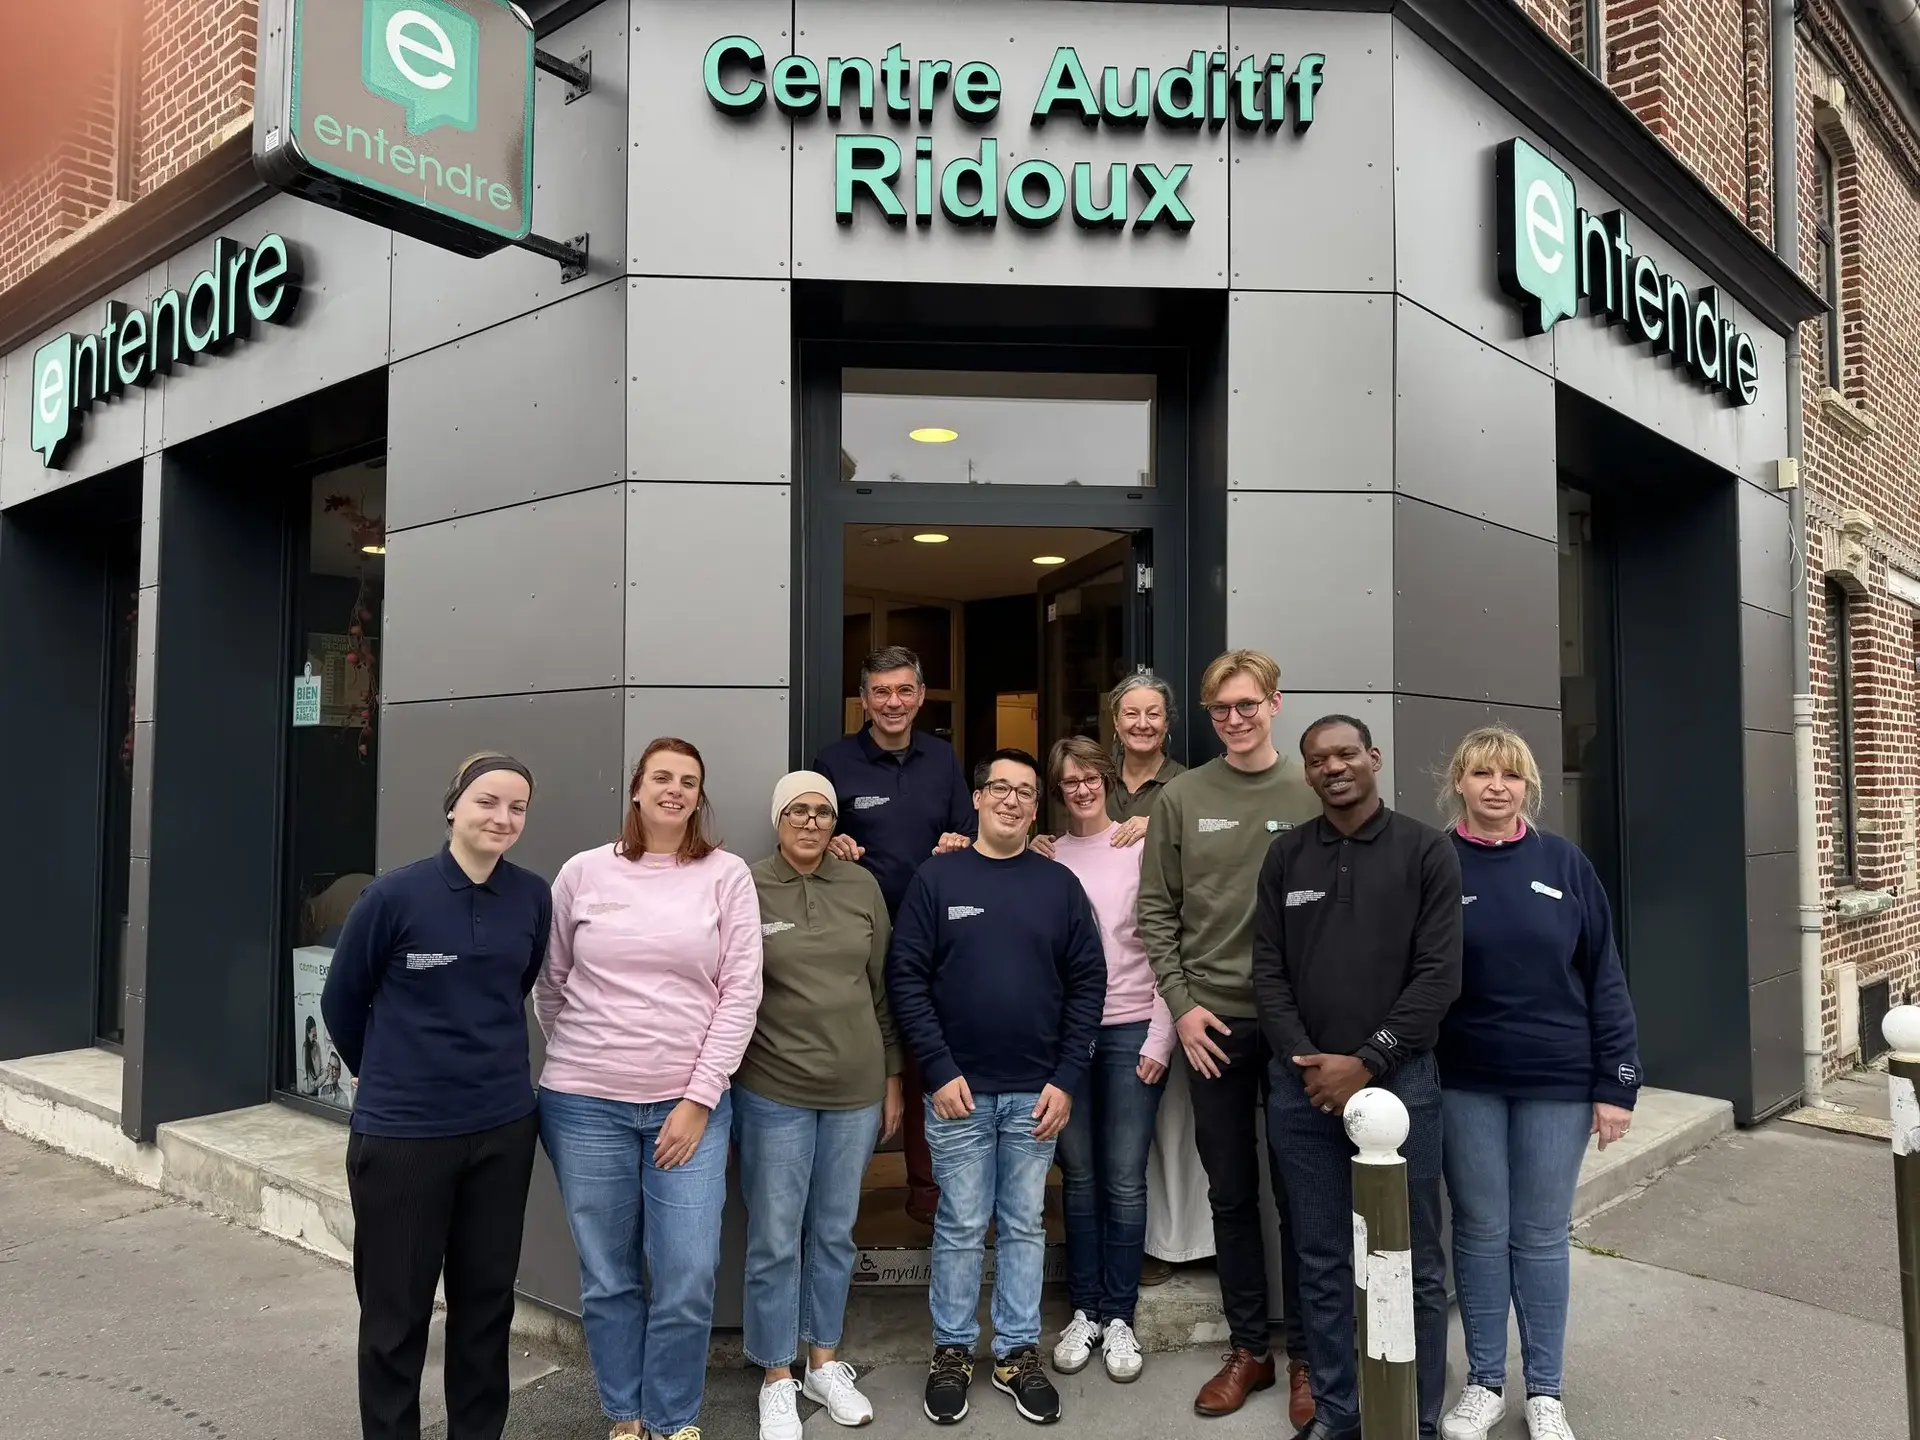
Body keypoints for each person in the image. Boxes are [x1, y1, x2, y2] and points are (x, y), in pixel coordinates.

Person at [535, 738, 763, 1440]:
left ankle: (673, 1417)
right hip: (583, 1106)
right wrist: (593, 1056)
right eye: (662, 777)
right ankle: (626, 1418)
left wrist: (698, 1098)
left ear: (699, 797)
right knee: (609, 1275)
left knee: (688, 1274)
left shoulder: (725, 875)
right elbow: (551, 983)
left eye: (688, 781)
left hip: (689, 1108)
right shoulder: (582, 873)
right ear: (636, 788)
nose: (674, 790)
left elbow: (740, 992)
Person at [320, 753, 548, 1440]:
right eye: (487, 801)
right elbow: (341, 1003)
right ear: (453, 807)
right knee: (396, 1317)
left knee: (485, 1310)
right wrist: (386, 1074)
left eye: (517, 807)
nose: (502, 817)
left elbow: (515, 987)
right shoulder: (392, 897)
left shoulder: (532, 897)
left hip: (502, 1130)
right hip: (404, 1138)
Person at [1253, 716, 1463, 1440]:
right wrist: (1308, 1062)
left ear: (1373, 758)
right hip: (1303, 1087)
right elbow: (1268, 973)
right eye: (1318, 760)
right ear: (1307, 772)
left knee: (1414, 1259)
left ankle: (1417, 1417)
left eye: (1346, 754)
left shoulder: (1426, 851)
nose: (1333, 767)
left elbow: (1439, 976)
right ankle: (1338, 1414)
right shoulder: (1286, 856)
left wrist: (1368, 1060)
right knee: (1320, 1259)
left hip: (1403, 1084)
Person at [886, 748, 1107, 1427]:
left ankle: (1015, 1353)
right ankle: (952, 1351)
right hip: (958, 1092)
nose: (1012, 800)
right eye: (1000, 788)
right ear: (977, 798)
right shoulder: (937, 878)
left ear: (1036, 807)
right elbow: (906, 977)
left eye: (1025, 792)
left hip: (1037, 1095)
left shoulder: (1059, 886)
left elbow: (1088, 984)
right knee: (959, 1224)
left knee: (1023, 1224)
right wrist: (938, 1068)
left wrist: (1066, 1078)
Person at [1434, 727, 1638, 1440]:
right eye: (1483, 773)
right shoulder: (1435, 862)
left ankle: (1546, 1392)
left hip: (1558, 1078)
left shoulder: (1564, 862)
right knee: (1481, 1231)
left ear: (1529, 786)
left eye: (1511, 775)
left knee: (1542, 1235)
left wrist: (1617, 1083)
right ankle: (1485, 1383)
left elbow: (1605, 974)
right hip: (1465, 1080)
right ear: (1459, 782)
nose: (1498, 786)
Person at [1135, 649, 1319, 1422]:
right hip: (1211, 1025)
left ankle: (1309, 1355)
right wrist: (1181, 1008)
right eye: (1221, 709)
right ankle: (1250, 1351)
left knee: (1303, 1196)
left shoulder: (1312, 789)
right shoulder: (1183, 797)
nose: (1235, 719)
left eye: (1247, 704)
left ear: (1274, 703)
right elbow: (1156, 911)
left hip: (1298, 1029)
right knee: (1232, 1194)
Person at [738, 771, 904, 1440]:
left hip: (855, 1090)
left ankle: (823, 1363)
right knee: (775, 1237)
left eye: (822, 812)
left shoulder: (861, 886)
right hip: (773, 1088)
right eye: (798, 811)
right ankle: (776, 1375)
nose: (810, 822)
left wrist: (892, 1078)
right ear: (778, 818)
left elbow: (883, 989)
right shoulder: (745, 884)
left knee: (835, 1232)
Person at [815, 645, 976, 1227]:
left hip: (935, 939)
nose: (893, 702)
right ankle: (837, 1209)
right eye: (881, 692)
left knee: (927, 1063)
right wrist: (831, 840)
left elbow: (969, 831)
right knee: (865, 1063)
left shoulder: (942, 759)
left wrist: (960, 841)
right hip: (861, 942)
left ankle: (927, 1197)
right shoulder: (834, 762)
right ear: (863, 699)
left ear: (921, 696)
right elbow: (807, 832)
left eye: (904, 690)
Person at [1042, 736, 1173, 1384]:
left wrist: (1161, 1036)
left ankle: (1119, 1314)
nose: (1083, 789)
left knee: (1124, 1177)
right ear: (1057, 790)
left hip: (1131, 1030)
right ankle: (1084, 1310)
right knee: (1080, 1176)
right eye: (1070, 781)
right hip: (1068, 1037)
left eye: (1091, 777)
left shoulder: (1140, 846)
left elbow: (1170, 941)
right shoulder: (1045, 856)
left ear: (1108, 781)